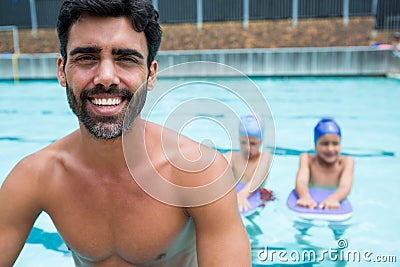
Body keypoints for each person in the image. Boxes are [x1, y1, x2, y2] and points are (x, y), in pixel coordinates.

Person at [0, 1, 251, 266]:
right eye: (87, 58)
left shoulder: (199, 173)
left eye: (126, 60)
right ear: (62, 71)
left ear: (151, 75)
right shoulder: (35, 177)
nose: (106, 77)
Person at [295, 118, 354, 210]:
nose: (330, 149)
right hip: (311, 196)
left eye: (335, 144)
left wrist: (335, 198)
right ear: (315, 146)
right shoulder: (307, 159)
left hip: (336, 196)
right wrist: (304, 196)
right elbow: (301, 181)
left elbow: (345, 186)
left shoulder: (346, 162)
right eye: (325, 144)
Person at [226, 114, 273, 213]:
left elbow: (256, 180)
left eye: (253, 143)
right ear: (239, 140)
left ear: (261, 142)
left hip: (258, 196)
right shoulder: (231, 156)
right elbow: (220, 177)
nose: (247, 147)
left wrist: (242, 196)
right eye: (244, 142)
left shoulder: (264, 157)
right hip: (234, 194)